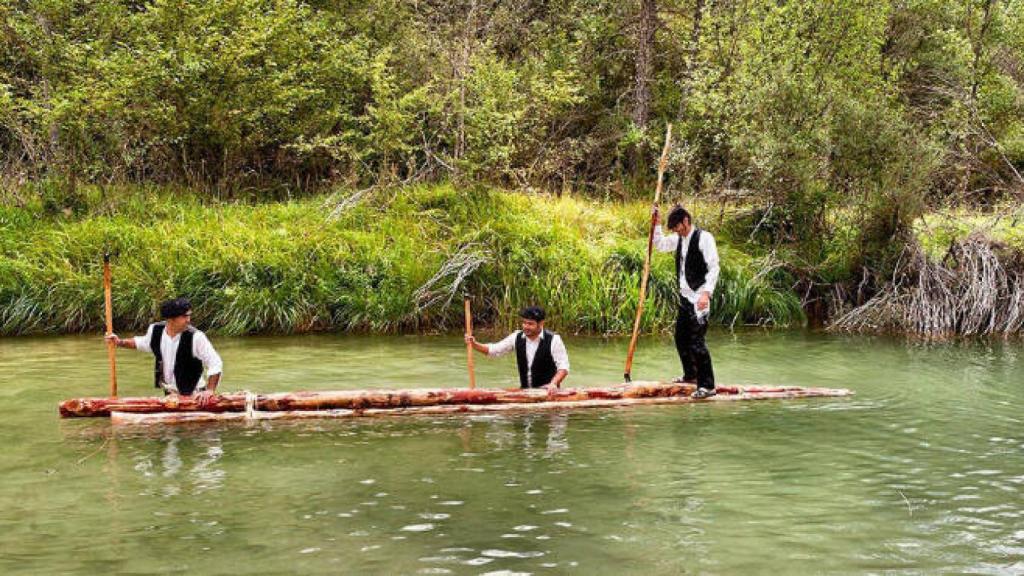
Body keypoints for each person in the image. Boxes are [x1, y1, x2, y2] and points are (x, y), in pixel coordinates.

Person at [653, 204, 720, 398]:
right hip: (685, 297)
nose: (678, 232)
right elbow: (660, 245)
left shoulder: (704, 238)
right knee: (681, 338)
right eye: (674, 230)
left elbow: (714, 267)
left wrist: (706, 294)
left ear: (686, 221)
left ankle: (708, 386)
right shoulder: (679, 238)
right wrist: (656, 225)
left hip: (700, 296)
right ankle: (690, 375)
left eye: (679, 228)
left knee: (697, 342)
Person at [105, 297, 223, 407]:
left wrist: (209, 390)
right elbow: (142, 343)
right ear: (171, 319)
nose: (188, 320)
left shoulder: (196, 337)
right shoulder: (156, 330)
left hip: (195, 395)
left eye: (189, 316)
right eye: (184, 317)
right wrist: (119, 342)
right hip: (170, 395)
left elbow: (215, 363)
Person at [465, 306, 570, 389]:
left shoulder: (554, 340)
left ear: (541, 324)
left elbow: (563, 367)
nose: (526, 327)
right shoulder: (517, 337)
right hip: (524, 392)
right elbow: (494, 350)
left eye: (530, 324)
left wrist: (553, 384)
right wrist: (474, 344)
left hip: (548, 393)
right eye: (524, 323)